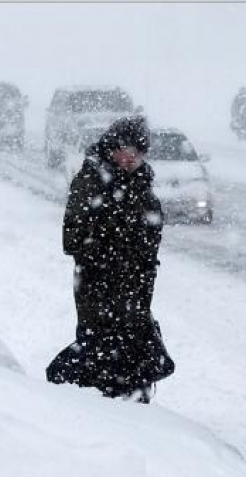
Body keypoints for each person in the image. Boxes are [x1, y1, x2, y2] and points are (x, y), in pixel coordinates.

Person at [46, 115, 173, 402]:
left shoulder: (142, 185)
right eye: (127, 150)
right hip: (97, 287)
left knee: (135, 356)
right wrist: (112, 243)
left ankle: (136, 411)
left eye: (138, 153)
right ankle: (100, 414)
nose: (132, 158)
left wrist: (141, 274)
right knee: (100, 352)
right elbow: (72, 240)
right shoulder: (90, 181)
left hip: (135, 289)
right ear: (113, 147)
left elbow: (150, 241)